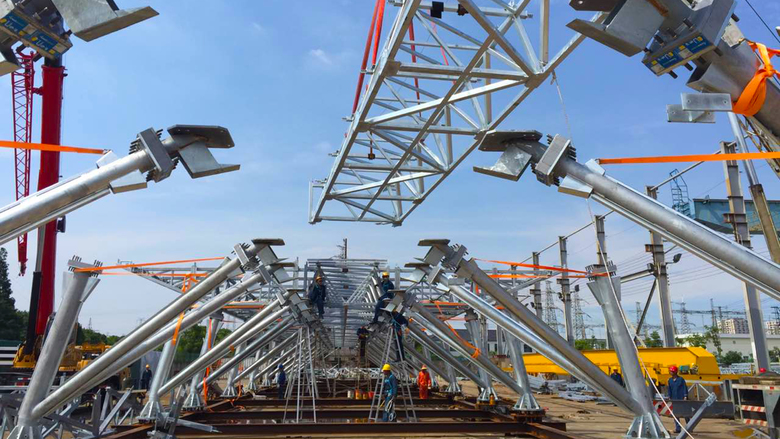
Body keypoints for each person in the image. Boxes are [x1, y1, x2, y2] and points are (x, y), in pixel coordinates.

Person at [667, 365, 688, 433]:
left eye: (672, 371)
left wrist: (685, 396)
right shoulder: (670, 380)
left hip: (681, 398)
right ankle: (678, 428)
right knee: (675, 414)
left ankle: (689, 427)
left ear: (675, 372)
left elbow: (684, 387)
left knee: (685, 413)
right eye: (670, 371)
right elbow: (669, 389)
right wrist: (669, 396)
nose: (671, 372)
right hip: (674, 399)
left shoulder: (681, 379)